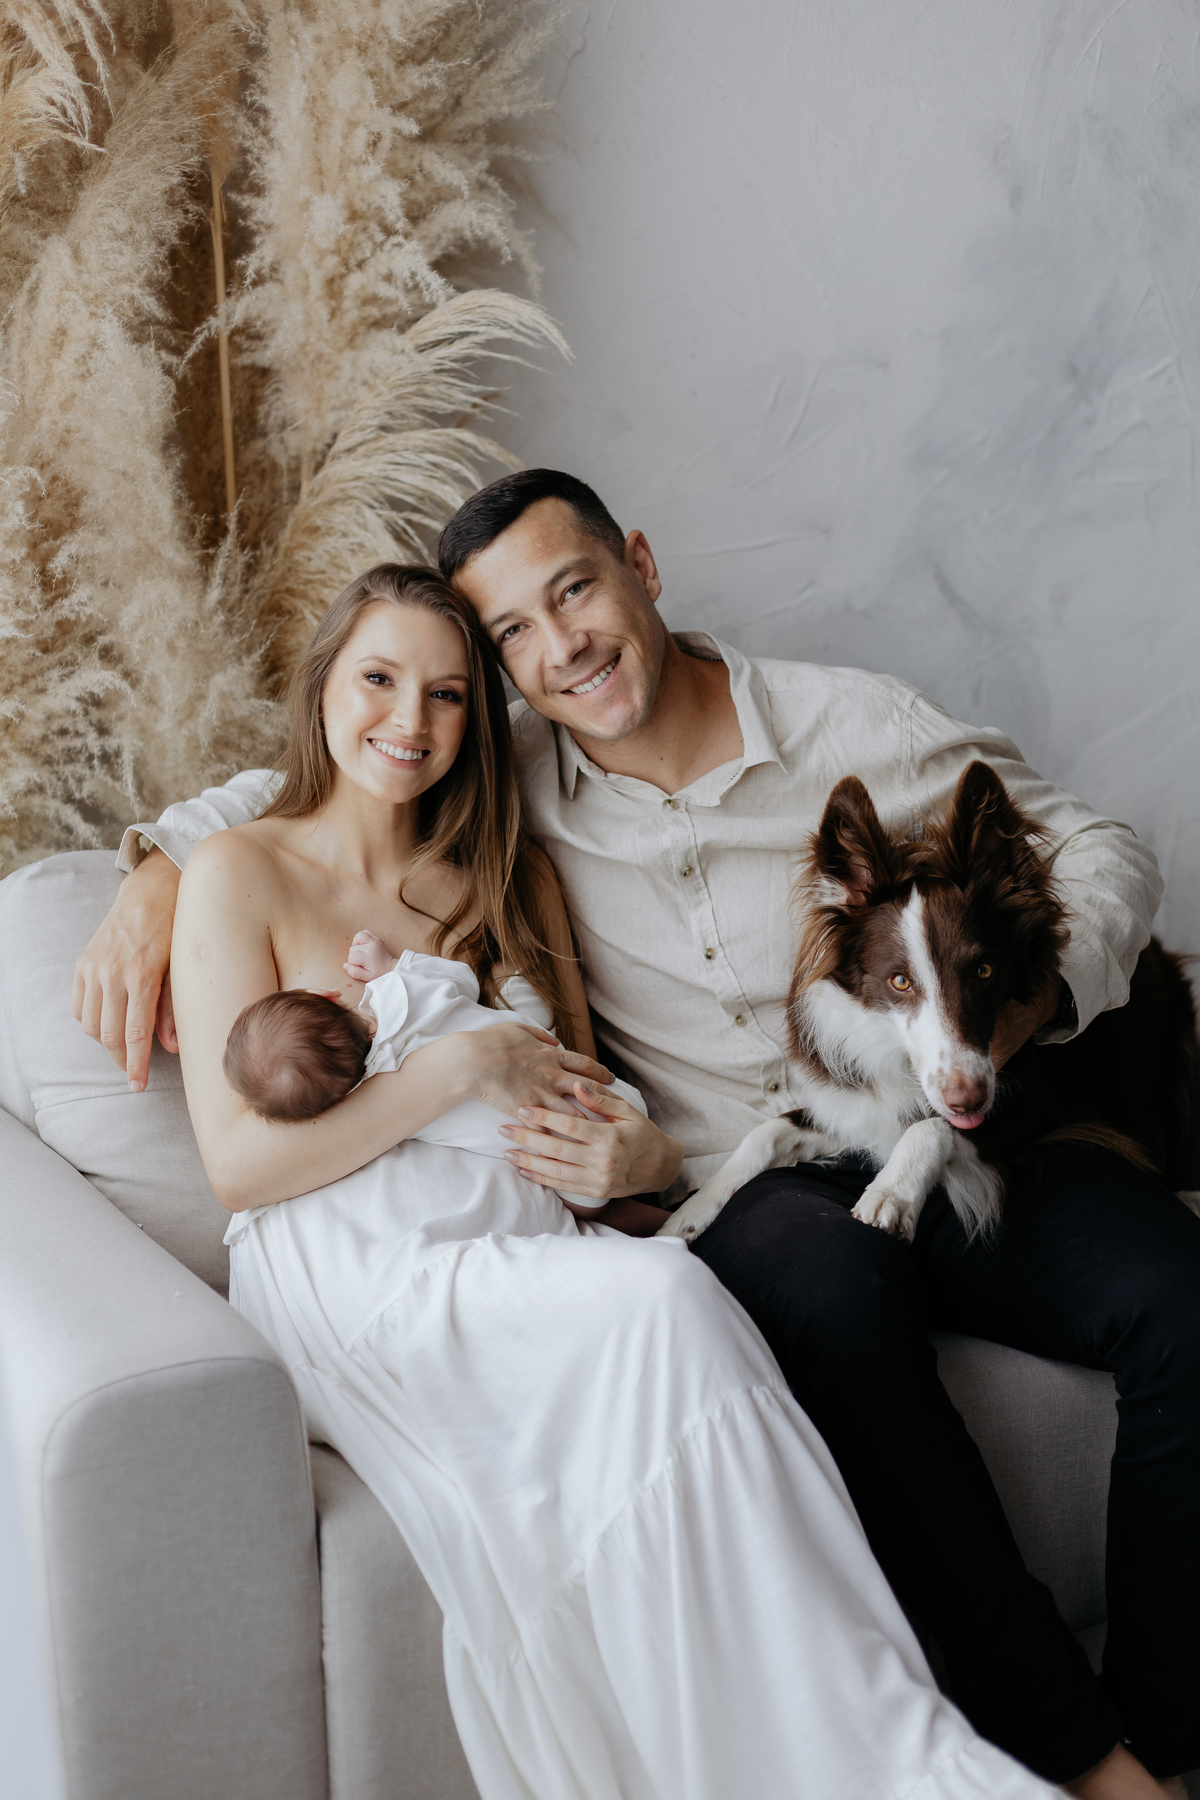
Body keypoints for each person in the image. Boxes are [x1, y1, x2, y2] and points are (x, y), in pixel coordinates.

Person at [74, 471, 1198, 1799]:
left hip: (962, 1133)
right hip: (757, 1181)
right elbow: (351, 761)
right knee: (835, 1310)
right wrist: (155, 866)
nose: (563, 648)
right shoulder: (515, 778)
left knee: (1178, 1293)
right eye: (515, 634)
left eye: (577, 591)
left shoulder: (853, 721)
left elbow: (1100, 849)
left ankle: (1167, 1747)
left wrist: (1020, 1018)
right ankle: (1070, 1758)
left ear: (642, 568)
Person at [223, 926, 645, 1214]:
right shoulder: (403, 990)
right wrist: (393, 965)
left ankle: (637, 1219)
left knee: (574, 1202)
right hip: (608, 1094)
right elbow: (463, 980)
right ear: (326, 996)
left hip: (578, 1171)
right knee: (503, 1012)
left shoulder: (380, 1103)